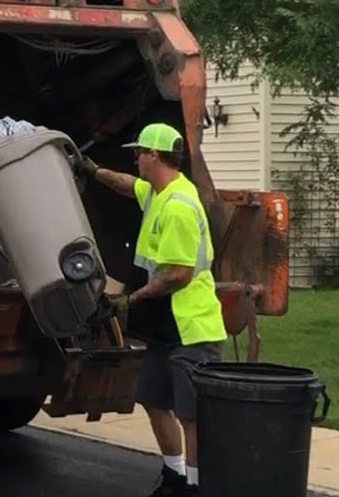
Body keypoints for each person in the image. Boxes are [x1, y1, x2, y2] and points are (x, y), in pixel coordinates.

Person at [75, 122, 226, 497]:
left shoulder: (178, 207)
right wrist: (93, 171)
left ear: (153, 155)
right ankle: (174, 475)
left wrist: (130, 300)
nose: (135, 160)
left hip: (190, 327)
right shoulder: (158, 193)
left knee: (190, 414)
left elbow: (177, 274)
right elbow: (129, 185)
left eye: (139, 153)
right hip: (164, 327)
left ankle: (196, 486)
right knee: (154, 399)